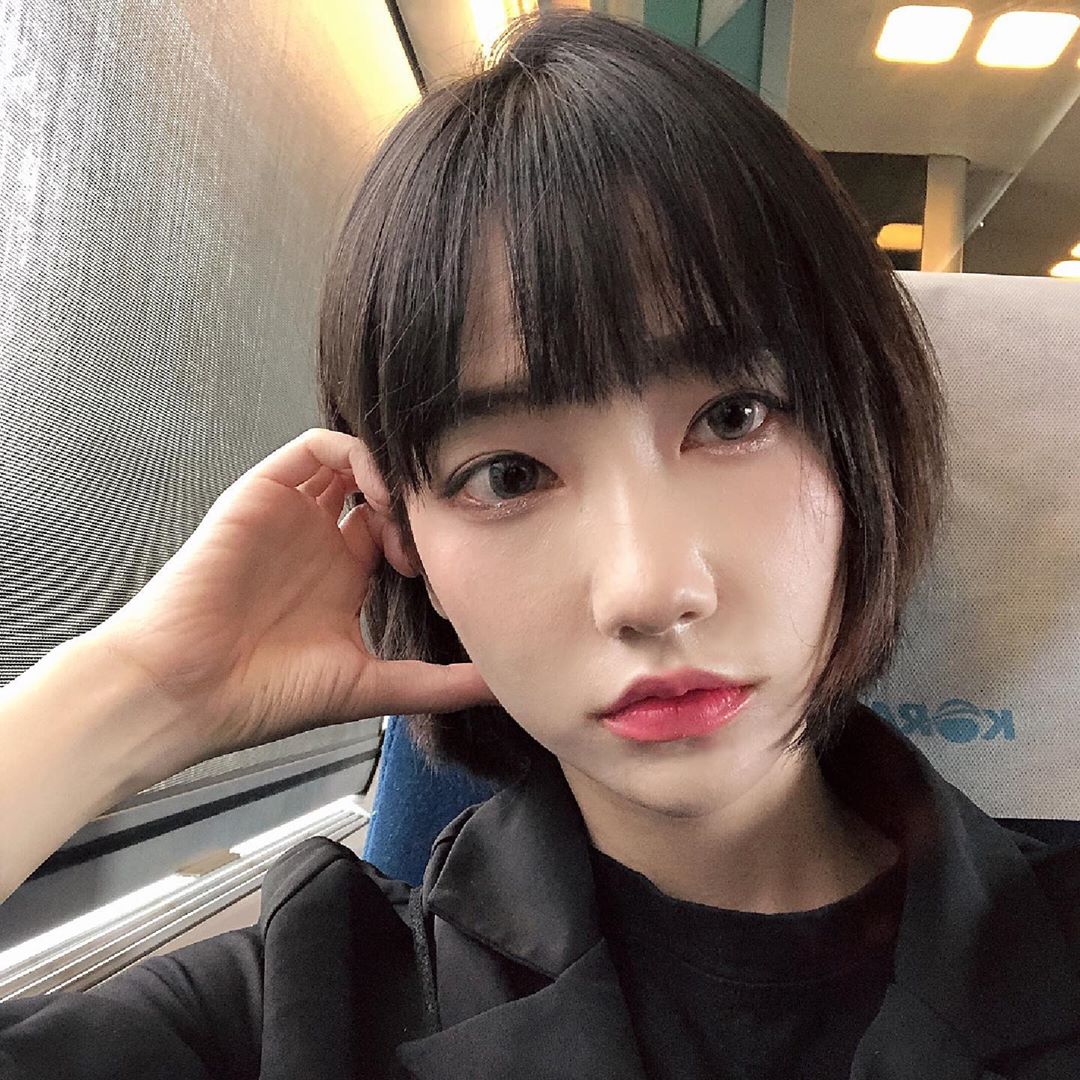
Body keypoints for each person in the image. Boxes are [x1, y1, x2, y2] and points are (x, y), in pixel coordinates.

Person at [1, 9, 1079, 1079]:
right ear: (401, 535)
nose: (651, 589)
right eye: (508, 475)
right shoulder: (302, 1009)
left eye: (734, 417)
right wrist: (141, 694)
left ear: (861, 439)